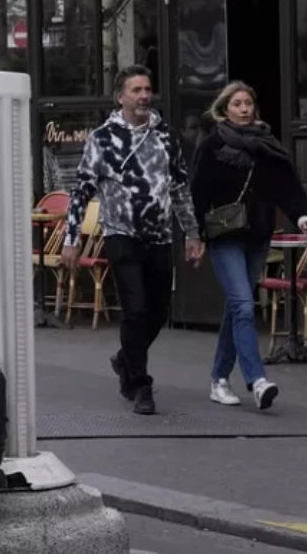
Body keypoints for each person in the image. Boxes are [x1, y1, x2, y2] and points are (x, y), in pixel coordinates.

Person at [61, 65, 204, 415]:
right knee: (135, 308)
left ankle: (126, 358)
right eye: (136, 90)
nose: (143, 96)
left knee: (157, 311)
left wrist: (192, 233)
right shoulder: (103, 138)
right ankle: (140, 384)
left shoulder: (166, 136)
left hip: (159, 236)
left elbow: (180, 187)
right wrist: (71, 237)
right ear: (120, 97)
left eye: (147, 89)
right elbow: (82, 190)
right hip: (121, 234)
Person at [190, 82, 307, 411]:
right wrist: (195, 235)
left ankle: (218, 379)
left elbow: (286, 184)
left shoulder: (267, 145)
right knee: (244, 306)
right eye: (237, 104)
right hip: (224, 237)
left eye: (248, 103)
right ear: (224, 109)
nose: (244, 109)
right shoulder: (213, 145)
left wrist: (301, 214)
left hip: (258, 235)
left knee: (237, 308)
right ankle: (257, 381)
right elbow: (197, 191)